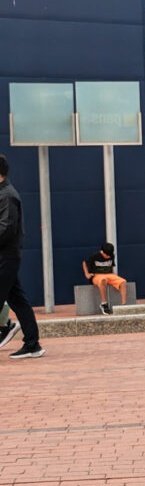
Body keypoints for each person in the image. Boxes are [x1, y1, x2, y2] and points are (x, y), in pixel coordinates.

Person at [0, 154, 45, 359]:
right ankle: (32, 344)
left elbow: (6, 228)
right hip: (6, 255)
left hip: (6, 256)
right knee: (18, 300)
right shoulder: (3, 194)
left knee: (14, 300)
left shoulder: (7, 195)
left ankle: (26, 340)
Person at [83, 242, 127, 314]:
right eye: (106, 255)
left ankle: (123, 304)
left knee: (123, 281)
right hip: (97, 275)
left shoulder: (111, 255)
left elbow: (112, 266)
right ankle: (104, 304)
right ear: (102, 252)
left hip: (109, 274)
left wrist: (113, 276)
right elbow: (84, 262)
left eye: (109, 255)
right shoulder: (95, 255)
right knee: (103, 280)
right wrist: (87, 274)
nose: (108, 257)